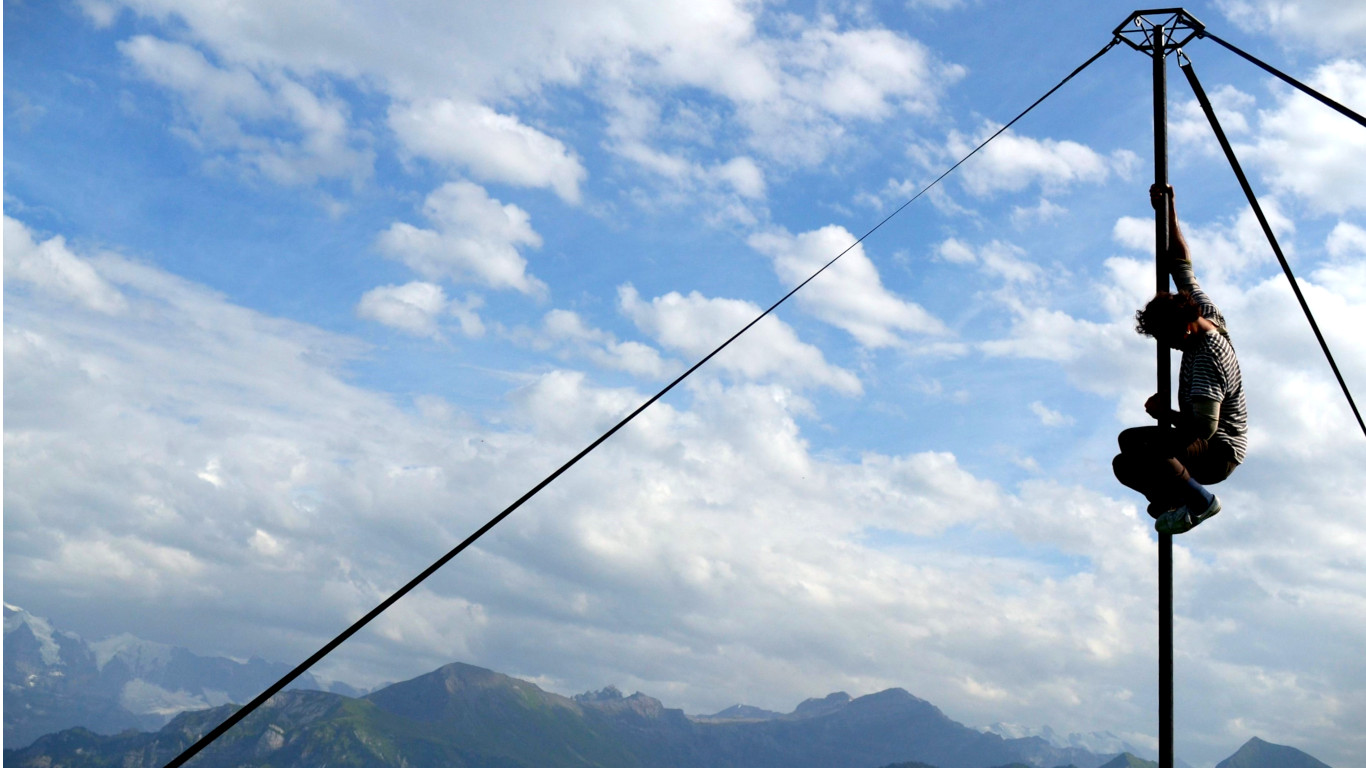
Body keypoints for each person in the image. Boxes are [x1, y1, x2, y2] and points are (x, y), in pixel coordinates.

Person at [1113, 184, 1247, 534]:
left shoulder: (1207, 356)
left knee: (1146, 448)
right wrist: (1167, 208)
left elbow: (1204, 428)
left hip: (1219, 452)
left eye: (1169, 339)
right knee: (1124, 458)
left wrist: (1164, 415)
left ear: (1186, 328)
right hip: (1203, 439)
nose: (1170, 347)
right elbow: (1181, 262)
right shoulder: (1202, 311)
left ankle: (1201, 501)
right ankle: (1174, 501)